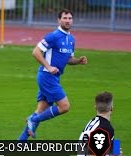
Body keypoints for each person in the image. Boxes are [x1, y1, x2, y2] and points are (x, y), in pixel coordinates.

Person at [18, 9, 88, 140]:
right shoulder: (53, 36)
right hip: (47, 77)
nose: (68, 21)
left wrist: (78, 61)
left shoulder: (71, 39)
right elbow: (36, 52)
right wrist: (48, 67)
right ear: (59, 20)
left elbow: (68, 59)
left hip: (54, 78)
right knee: (65, 106)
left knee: (41, 111)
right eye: (65, 18)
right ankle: (32, 119)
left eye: (70, 18)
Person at [73, 92, 122, 156]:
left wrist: (111, 154)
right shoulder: (105, 128)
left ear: (95, 107)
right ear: (112, 108)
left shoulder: (92, 123)